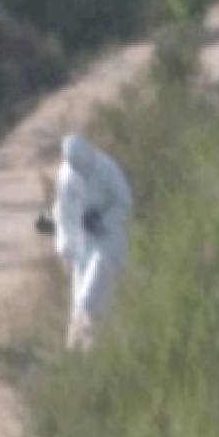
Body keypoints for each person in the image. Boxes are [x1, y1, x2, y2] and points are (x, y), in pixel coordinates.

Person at [54, 133, 133, 350]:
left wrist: (103, 220)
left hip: (108, 241)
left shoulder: (107, 168)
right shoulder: (67, 175)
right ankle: (80, 354)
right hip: (82, 243)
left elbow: (125, 202)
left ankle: (102, 346)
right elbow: (63, 215)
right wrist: (65, 249)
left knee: (93, 296)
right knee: (79, 301)